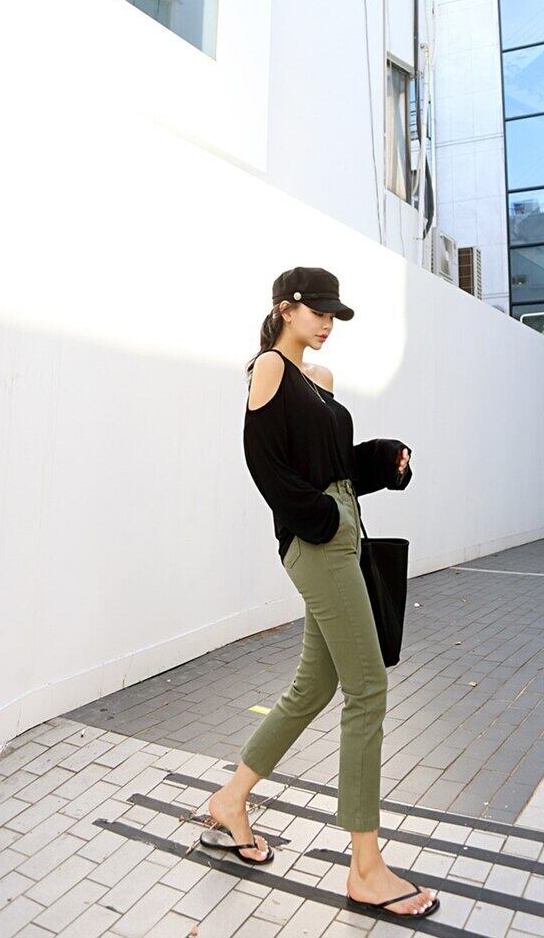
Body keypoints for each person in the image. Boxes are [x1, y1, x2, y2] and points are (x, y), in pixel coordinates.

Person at [201, 267, 440, 919]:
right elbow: (264, 462)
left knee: (314, 687)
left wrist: (382, 459)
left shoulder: (322, 379)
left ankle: (230, 801)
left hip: (343, 533)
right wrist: (319, 518)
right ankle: (365, 868)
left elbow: (335, 466)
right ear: (287, 308)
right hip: (318, 541)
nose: (329, 323)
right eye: (319, 311)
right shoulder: (271, 368)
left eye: (335, 314)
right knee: (368, 687)